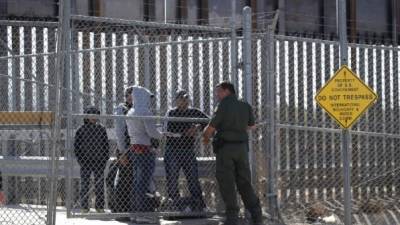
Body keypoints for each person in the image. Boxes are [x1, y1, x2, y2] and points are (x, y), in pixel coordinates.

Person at [202, 81, 263, 225]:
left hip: (226, 150)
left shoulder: (223, 105)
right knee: (244, 183)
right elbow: (251, 126)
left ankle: (232, 219)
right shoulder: (245, 105)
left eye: (219, 91)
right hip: (242, 150)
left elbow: (210, 128)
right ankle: (257, 217)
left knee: (227, 183)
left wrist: (205, 137)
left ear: (227, 91)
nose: (217, 95)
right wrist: (237, 128)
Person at [164, 90, 208, 211]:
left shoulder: (194, 112)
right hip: (173, 150)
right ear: (176, 100)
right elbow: (168, 132)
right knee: (172, 178)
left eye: (186, 99)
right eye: (182, 99)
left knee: (193, 178)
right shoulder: (171, 113)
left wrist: (198, 127)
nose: (184, 101)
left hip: (188, 150)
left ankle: (199, 205)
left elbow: (209, 122)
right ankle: (175, 204)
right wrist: (185, 133)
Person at [124, 85, 165, 212]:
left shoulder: (131, 111)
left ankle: (135, 211)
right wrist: (162, 135)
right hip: (145, 150)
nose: (149, 100)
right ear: (142, 97)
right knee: (143, 182)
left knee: (137, 182)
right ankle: (141, 212)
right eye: (148, 97)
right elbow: (152, 133)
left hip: (134, 148)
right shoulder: (145, 112)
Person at [74, 106, 110, 213]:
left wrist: (104, 160)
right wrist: (80, 160)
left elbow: (105, 146)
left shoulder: (101, 129)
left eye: (95, 115)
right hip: (86, 161)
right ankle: (85, 207)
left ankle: (99, 206)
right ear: (86, 116)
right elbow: (77, 146)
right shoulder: (81, 129)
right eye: (91, 115)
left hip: (99, 161)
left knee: (99, 185)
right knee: (85, 184)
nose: (94, 117)